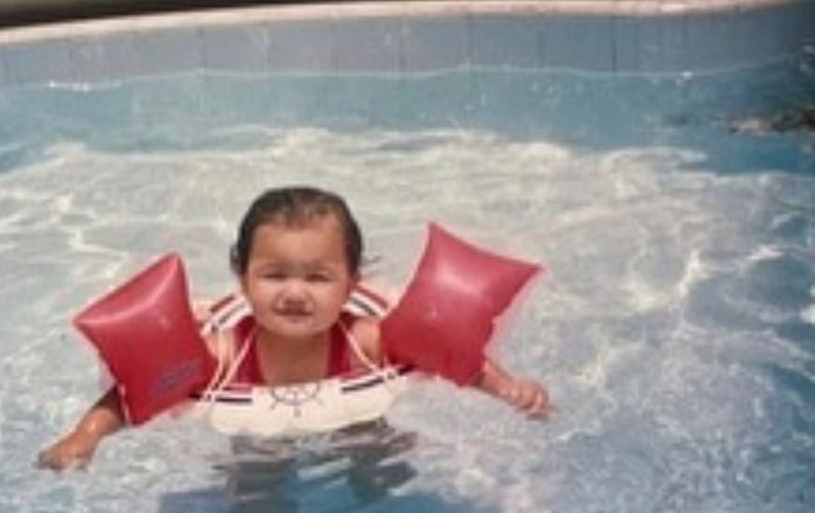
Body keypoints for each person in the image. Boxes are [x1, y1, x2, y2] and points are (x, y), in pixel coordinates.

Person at [37, 186, 551, 471]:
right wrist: (84, 437)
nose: (295, 293)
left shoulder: (367, 342)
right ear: (242, 277)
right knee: (256, 487)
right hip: (256, 438)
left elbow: (450, 354)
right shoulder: (219, 357)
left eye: (318, 277)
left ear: (351, 284)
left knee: (380, 466)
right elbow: (130, 397)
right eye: (274, 274)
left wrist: (509, 388)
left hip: (358, 418)